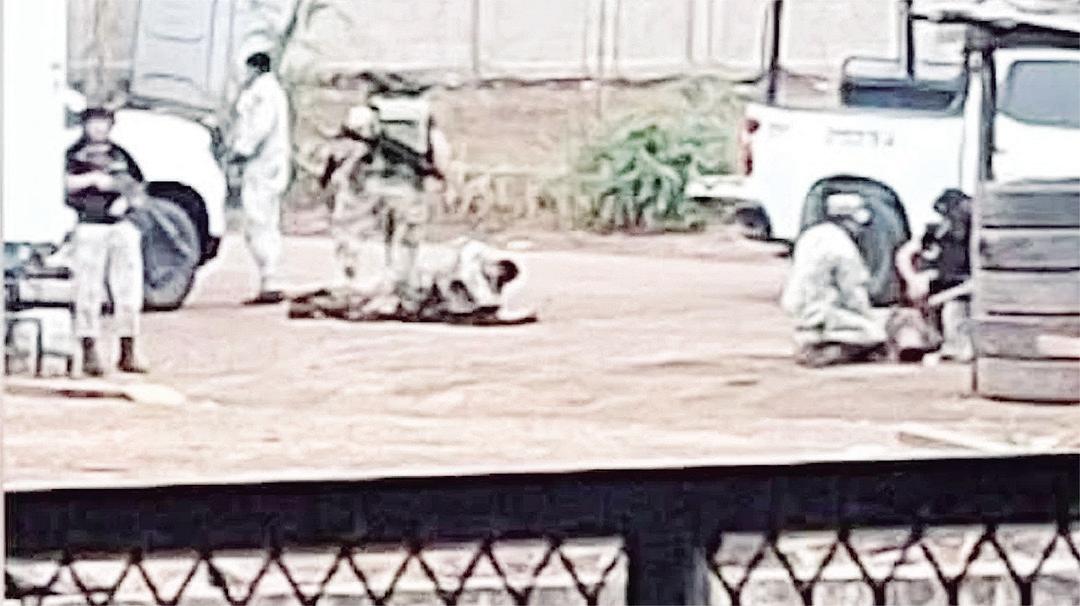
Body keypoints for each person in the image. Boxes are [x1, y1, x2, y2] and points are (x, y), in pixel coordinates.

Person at [64, 107, 148, 376]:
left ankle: (128, 349)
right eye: (93, 123)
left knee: (128, 289)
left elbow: (138, 188)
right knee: (87, 290)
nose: (98, 128)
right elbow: (61, 184)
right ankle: (89, 349)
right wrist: (89, 180)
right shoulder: (73, 155)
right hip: (89, 226)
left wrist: (122, 194)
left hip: (120, 225)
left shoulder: (121, 156)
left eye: (103, 123)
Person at [288, 239, 536, 325]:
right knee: (359, 293)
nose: (493, 271)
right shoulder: (475, 264)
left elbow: (490, 312)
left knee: (360, 307)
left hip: (414, 300)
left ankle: (310, 306)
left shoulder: (485, 294)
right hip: (411, 285)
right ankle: (312, 297)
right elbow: (468, 252)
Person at [781, 193, 888, 367]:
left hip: (798, 308)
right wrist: (869, 317)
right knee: (876, 335)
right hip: (823, 312)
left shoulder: (811, 234)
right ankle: (830, 352)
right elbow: (853, 293)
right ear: (848, 221)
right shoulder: (843, 246)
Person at [229, 51, 291, 305]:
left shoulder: (263, 93)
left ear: (254, 68)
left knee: (258, 220)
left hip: (263, 165)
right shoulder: (267, 91)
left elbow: (259, 126)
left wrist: (241, 151)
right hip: (267, 164)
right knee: (264, 220)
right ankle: (268, 279)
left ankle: (270, 279)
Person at [895, 189, 974, 361]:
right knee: (904, 315)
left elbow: (977, 282)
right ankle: (917, 346)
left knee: (954, 308)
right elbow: (904, 254)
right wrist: (913, 279)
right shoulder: (938, 234)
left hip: (962, 296)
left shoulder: (974, 240)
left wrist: (942, 297)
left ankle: (954, 349)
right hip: (935, 289)